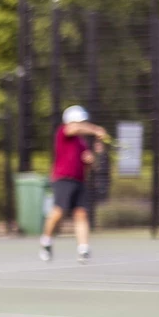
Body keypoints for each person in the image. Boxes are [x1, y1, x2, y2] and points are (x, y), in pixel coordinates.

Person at [40, 105, 108, 263]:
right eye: (81, 121)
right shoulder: (63, 132)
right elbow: (74, 128)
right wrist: (96, 130)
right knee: (59, 211)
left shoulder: (82, 143)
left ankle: (83, 249)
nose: (83, 124)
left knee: (81, 213)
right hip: (63, 179)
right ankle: (46, 241)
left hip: (79, 181)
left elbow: (91, 166)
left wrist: (93, 158)